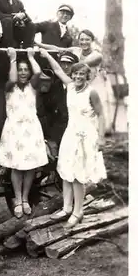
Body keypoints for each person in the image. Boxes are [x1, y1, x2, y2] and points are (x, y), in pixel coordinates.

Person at [39, 48, 107, 230]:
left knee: (78, 176)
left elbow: (101, 115)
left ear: (87, 76)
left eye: (82, 74)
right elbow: (59, 70)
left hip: (86, 136)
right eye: (76, 74)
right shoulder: (69, 86)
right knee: (66, 171)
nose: (78, 77)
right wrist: (46, 55)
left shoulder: (91, 93)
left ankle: (78, 211)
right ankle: (66, 207)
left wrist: (101, 138)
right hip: (70, 134)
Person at [0, 47, 49, 218]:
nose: (23, 72)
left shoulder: (32, 87)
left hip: (31, 129)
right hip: (14, 131)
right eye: (20, 69)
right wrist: (13, 58)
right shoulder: (9, 87)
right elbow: (12, 78)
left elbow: (39, 72)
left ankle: (25, 198)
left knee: (30, 167)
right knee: (17, 166)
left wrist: (30, 56)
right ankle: (18, 200)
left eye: (25, 69)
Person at [37, 51, 79, 151]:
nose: (65, 67)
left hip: (74, 128)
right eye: (62, 63)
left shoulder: (78, 84)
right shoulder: (53, 85)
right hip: (56, 130)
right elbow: (45, 109)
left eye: (69, 64)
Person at [35, 28, 103, 82]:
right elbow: (57, 48)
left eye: (87, 40)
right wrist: (38, 44)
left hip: (93, 84)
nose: (84, 42)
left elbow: (80, 66)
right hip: (78, 83)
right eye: (81, 39)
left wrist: (48, 56)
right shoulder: (76, 50)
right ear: (78, 40)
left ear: (92, 41)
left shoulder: (97, 55)